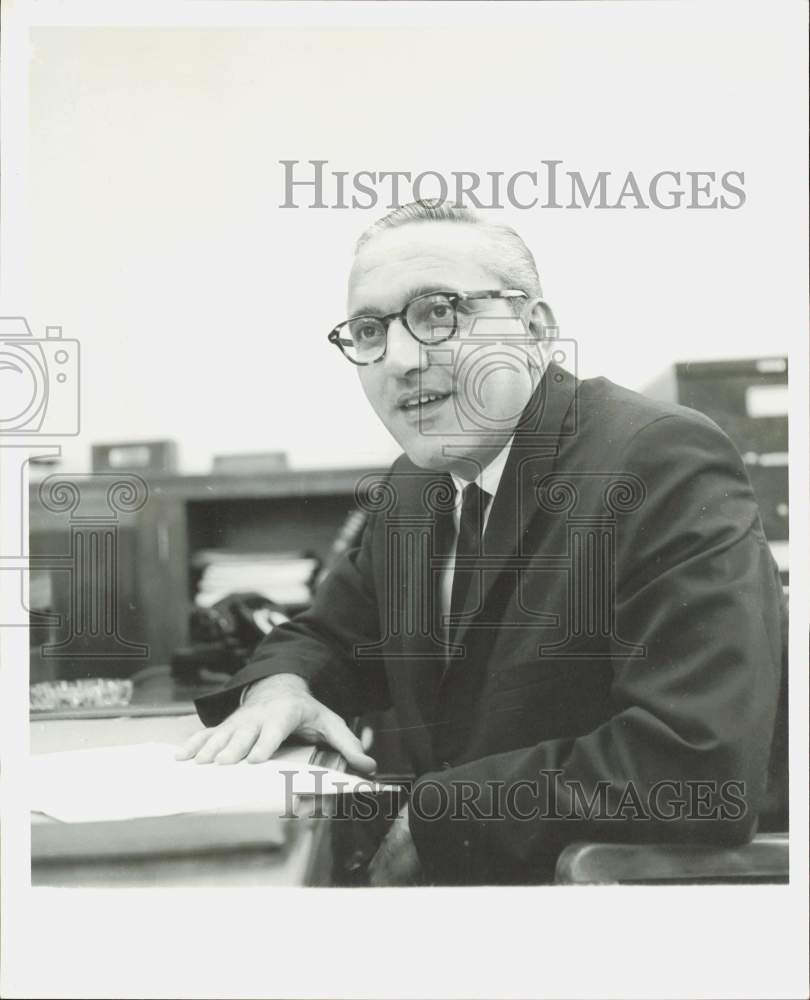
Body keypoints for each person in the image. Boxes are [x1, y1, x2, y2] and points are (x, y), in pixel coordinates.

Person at [179, 200, 784, 886]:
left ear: (535, 329)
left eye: (438, 313)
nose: (402, 360)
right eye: (370, 330)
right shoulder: (415, 486)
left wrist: (431, 821)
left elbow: (697, 763)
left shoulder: (657, 461)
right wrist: (280, 689)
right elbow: (331, 636)